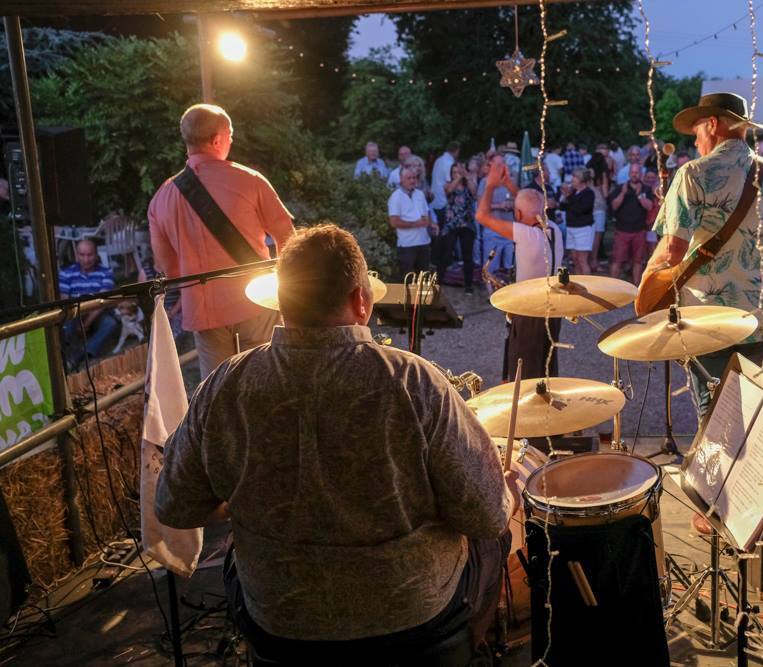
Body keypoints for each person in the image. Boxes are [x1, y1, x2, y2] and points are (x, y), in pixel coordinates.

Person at [155, 224, 517, 662]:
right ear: (361, 300)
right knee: (496, 532)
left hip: (279, 623)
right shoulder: (413, 382)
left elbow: (174, 506)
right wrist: (504, 494)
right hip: (411, 618)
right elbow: (486, 515)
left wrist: (245, 497)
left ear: (280, 301)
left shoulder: (225, 385)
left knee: (235, 553)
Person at [638, 92, 763, 415]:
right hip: (761, 321)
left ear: (713, 124)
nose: (696, 141)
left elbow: (673, 252)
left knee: (714, 413)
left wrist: (648, 283)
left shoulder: (693, 173)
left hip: (708, 321)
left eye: (697, 131)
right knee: (742, 408)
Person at [149, 103, 294, 379]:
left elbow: (169, 269)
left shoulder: (161, 198)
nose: (231, 141)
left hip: (203, 312)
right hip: (257, 300)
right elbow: (287, 239)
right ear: (217, 140)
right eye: (230, 135)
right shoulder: (250, 180)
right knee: (264, 379)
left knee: (217, 387)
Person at [476, 160, 565, 380]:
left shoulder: (526, 235)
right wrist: (508, 184)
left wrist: (490, 185)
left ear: (517, 213)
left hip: (529, 312)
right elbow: (530, 206)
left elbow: (481, 216)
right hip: (553, 310)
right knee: (546, 367)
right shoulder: (554, 230)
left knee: (524, 371)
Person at [58, 239, 118, 369]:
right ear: (76, 255)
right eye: (82, 255)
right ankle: (67, 355)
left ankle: (81, 353)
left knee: (110, 323)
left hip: (97, 312)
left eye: (90, 255)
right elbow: (65, 302)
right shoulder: (65, 273)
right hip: (74, 312)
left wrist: (86, 324)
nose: (86, 259)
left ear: (96, 255)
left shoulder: (106, 272)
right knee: (65, 326)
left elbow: (102, 301)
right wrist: (78, 319)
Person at [609, 164, 654, 285]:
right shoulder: (620, 188)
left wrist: (639, 195)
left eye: (637, 172)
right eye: (632, 172)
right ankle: (611, 288)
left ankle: (636, 289)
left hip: (639, 231)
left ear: (641, 174)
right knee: (617, 261)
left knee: (638, 261)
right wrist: (623, 194)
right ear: (629, 174)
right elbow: (614, 206)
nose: (634, 174)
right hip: (622, 231)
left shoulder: (646, 189)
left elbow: (649, 206)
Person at [438, 162, 477, 294]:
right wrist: (459, 177)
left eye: (458, 172)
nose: (457, 174)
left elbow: (474, 193)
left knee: (467, 256)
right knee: (446, 254)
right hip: (451, 224)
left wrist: (466, 177)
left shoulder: (468, 184)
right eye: (454, 172)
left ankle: (468, 285)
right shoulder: (448, 184)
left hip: (467, 224)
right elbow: (449, 190)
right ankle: (438, 283)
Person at [389, 167, 436, 277]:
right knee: (407, 280)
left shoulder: (420, 194)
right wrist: (416, 224)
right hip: (407, 245)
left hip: (424, 243)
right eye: (409, 178)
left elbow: (426, 216)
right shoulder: (395, 197)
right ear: (401, 179)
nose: (412, 180)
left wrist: (431, 223)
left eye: (414, 178)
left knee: (424, 279)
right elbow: (394, 222)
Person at [477, 155, 517, 281]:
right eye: (497, 164)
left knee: (510, 267)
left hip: (509, 230)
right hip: (492, 231)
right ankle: (490, 292)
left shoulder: (511, 181)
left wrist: (512, 204)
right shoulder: (485, 182)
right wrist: (499, 206)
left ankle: (507, 291)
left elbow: (519, 201)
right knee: (490, 266)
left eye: (502, 163)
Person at [559, 167, 596, 276]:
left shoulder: (589, 193)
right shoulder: (573, 192)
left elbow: (580, 209)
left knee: (582, 260)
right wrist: (564, 195)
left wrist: (568, 197)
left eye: (575, 177)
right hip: (571, 228)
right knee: (575, 259)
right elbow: (562, 207)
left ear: (581, 179)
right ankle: (579, 280)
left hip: (583, 229)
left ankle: (587, 283)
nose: (572, 179)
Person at [431, 141, 461, 223]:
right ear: (457, 151)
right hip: (444, 202)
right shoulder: (449, 163)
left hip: (434, 200)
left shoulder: (438, 160)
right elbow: (449, 184)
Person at [642, 170, 662, 258]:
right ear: (644, 178)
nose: (650, 180)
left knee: (652, 251)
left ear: (656, 178)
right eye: (648, 177)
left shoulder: (659, 193)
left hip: (653, 228)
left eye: (652, 178)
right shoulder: (641, 189)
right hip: (640, 227)